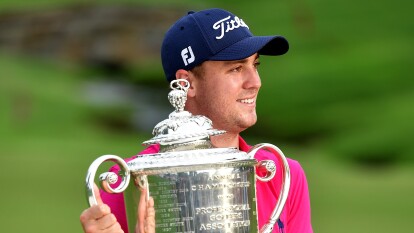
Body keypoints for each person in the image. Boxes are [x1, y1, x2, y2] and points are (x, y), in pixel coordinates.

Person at [80, 8, 313, 233]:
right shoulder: (129, 181)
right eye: (236, 68)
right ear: (186, 83)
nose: (255, 82)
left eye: (255, 65)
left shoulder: (282, 173)